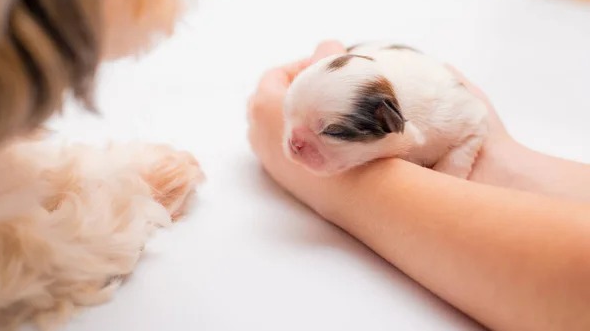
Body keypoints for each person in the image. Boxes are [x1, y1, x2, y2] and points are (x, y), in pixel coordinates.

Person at [247, 40, 590, 331]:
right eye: (289, 111)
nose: (292, 142)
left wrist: (339, 190)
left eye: (332, 132)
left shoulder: (445, 115)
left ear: (392, 122)